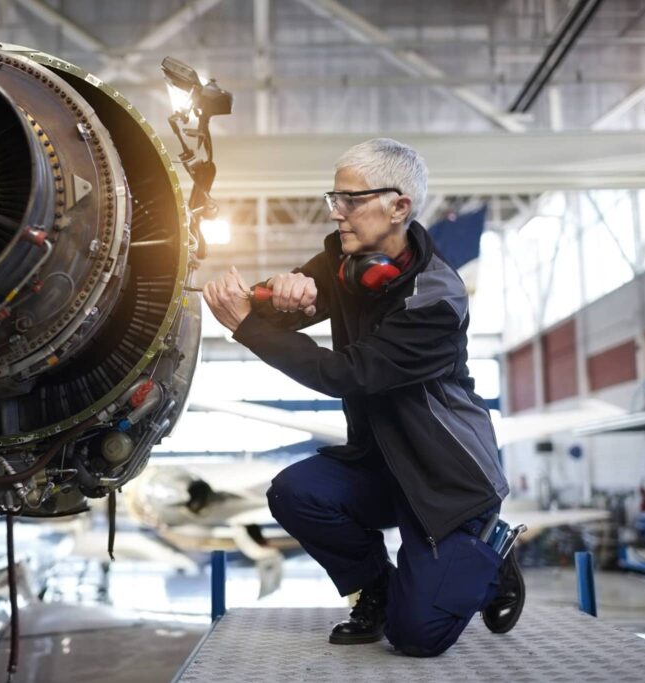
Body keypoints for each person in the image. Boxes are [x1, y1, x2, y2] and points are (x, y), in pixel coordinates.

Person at [201, 138, 523, 657]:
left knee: (416, 638)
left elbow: (347, 374)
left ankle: (489, 557)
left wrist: (247, 326)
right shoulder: (345, 259)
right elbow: (299, 301)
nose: (337, 213)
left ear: (399, 206)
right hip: (381, 465)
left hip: (445, 479)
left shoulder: (436, 299)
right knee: (295, 491)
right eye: (335, 198)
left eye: (351, 200)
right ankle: (375, 590)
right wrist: (278, 292)